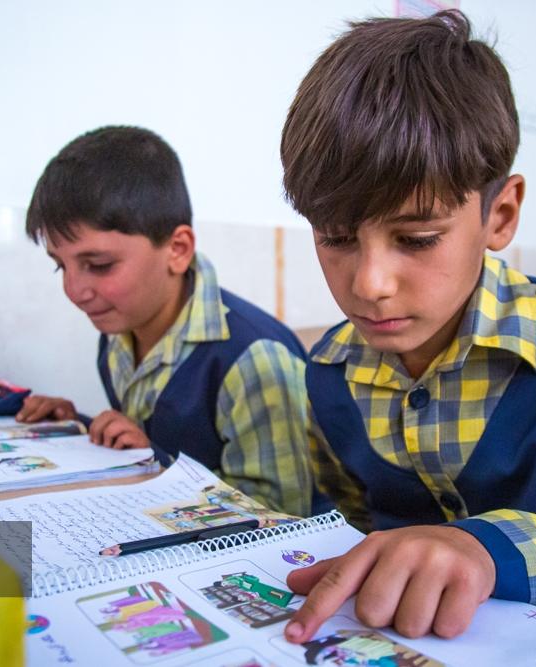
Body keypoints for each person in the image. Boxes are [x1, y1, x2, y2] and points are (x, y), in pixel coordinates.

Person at [278, 10, 536, 656]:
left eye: (417, 238)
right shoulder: (327, 370)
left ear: (501, 214)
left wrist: (487, 551)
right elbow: (344, 537)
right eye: (336, 237)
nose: (371, 283)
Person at [16, 126, 314, 516]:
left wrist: (158, 465)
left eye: (99, 265)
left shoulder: (255, 360)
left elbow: (283, 513)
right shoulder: (119, 332)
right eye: (60, 267)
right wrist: (76, 427)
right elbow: (143, 441)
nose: (74, 290)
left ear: (177, 250)